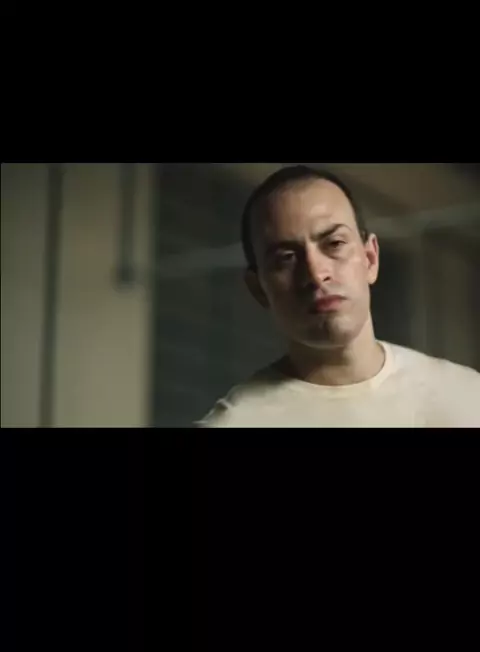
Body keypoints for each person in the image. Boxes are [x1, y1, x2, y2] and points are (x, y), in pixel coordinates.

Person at [196, 165, 480, 427]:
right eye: (286, 258)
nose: (316, 274)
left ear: (370, 259)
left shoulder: (467, 396)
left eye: (334, 243)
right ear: (259, 289)